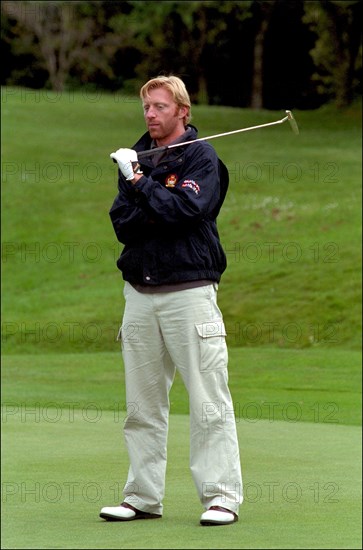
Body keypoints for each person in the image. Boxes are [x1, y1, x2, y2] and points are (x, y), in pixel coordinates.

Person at [99, 75, 243, 526]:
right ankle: (142, 497)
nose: (150, 115)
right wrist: (147, 190)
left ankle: (221, 497)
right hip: (140, 293)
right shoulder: (135, 157)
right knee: (142, 405)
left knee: (207, 401)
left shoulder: (202, 156)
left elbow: (187, 211)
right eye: (146, 107)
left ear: (183, 111)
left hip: (189, 292)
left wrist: (141, 183)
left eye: (160, 106)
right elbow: (122, 222)